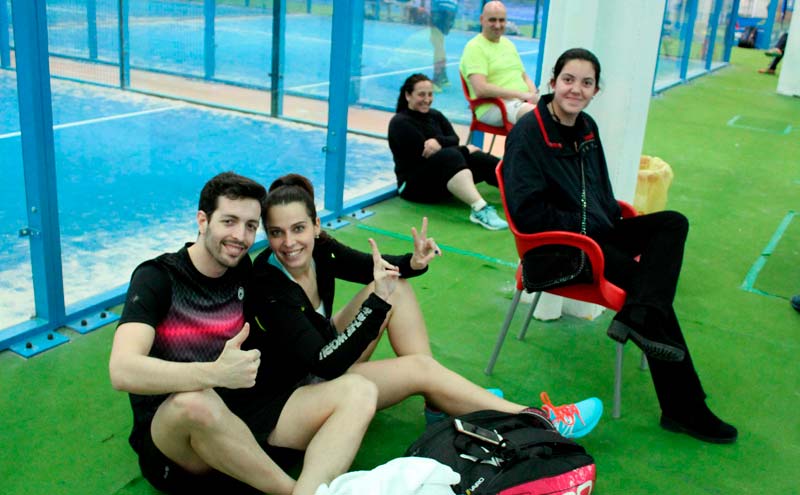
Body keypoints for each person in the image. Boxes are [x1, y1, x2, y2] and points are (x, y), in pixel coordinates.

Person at [244, 173, 604, 440]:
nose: (289, 242)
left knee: (394, 286)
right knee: (418, 365)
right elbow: (324, 361)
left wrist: (413, 262)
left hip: (324, 352)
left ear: (316, 226)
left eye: (298, 228)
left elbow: (374, 267)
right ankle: (541, 419)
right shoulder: (269, 282)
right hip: (303, 390)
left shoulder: (321, 248)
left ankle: (438, 402)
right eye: (276, 232)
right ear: (267, 233)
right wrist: (374, 307)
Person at [502, 48, 737, 444]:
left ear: (596, 90)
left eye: (586, 82)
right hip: (559, 250)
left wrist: (610, 218)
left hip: (598, 234)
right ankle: (684, 406)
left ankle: (641, 317)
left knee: (671, 224)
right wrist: (588, 229)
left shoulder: (587, 126)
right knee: (642, 283)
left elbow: (599, 189)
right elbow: (526, 214)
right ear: (553, 82)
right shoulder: (528, 134)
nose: (576, 89)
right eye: (569, 79)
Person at [108, 172, 379, 495]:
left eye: (250, 226)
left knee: (359, 390)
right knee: (194, 401)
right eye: (229, 221)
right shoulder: (157, 278)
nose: (240, 235)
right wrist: (213, 373)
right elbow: (122, 370)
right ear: (203, 220)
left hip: (241, 415)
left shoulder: (240, 271)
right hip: (176, 441)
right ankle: (291, 491)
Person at [388, 73, 508, 231]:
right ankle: (480, 209)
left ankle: (523, 193)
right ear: (408, 95)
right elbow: (424, 155)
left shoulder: (435, 115)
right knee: (453, 155)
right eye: (421, 94)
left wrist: (439, 141)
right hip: (413, 187)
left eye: (430, 94)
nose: (427, 99)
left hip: (438, 180)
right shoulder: (400, 123)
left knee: (478, 158)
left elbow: (453, 138)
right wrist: (464, 149)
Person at [459, 1, 539, 127]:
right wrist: (521, 95)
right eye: (492, 20)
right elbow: (481, 89)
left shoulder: (508, 44)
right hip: (494, 106)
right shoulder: (474, 47)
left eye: (501, 20)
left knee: (560, 109)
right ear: (482, 20)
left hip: (519, 102)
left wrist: (534, 95)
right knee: (541, 117)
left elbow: (523, 76)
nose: (497, 25)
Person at [429, 0, 458, 89]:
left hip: (439, 8)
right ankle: (443, 77)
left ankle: (437, 80)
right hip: (452, 8)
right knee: (439, 43)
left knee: (437, 43)